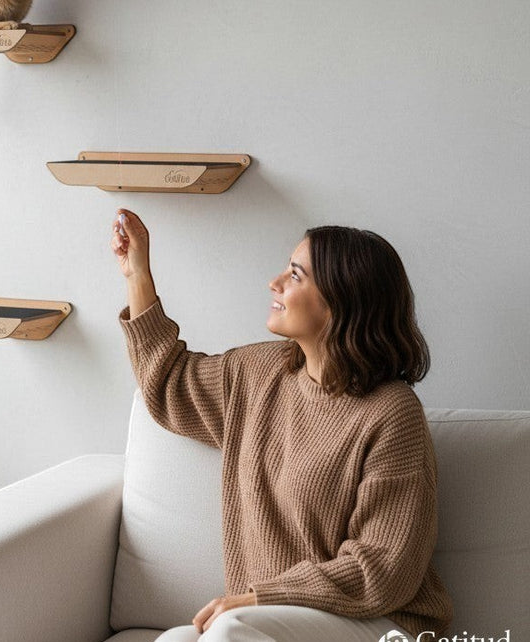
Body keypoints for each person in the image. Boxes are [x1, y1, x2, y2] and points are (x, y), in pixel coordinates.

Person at [110, 208, 453, 642]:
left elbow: (384, 569)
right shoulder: (260, 374)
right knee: (175, 639)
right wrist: (137, 272)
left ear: (341, 301)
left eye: (295, 275)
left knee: (229, 629)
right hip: (269, 619)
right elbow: (170, 385)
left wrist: (260, 598)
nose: (275, 283)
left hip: (380, 624)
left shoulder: (392, 414)